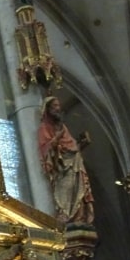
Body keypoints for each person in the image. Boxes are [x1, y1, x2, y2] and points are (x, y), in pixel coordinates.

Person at [37, 96, 95, 225]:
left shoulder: (63, 127)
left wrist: (81, 144)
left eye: (58, 105)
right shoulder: (44, 128)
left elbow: (71, 147)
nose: (58, 108)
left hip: (74, 164)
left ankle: (79, 216)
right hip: (61, 169)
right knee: (66, 190)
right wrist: (56, 138)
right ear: (48, 109)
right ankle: (67, 215)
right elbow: (46, 147)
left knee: (78, 190)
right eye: (55, 106)